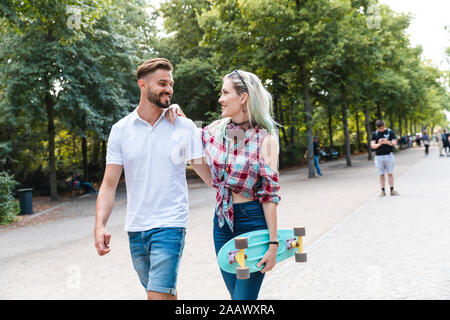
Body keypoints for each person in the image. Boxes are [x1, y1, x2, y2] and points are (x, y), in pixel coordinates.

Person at [94, 58, 212, 300]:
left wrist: (244, 192)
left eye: (170, 84)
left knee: (156, 295)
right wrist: (99, 225)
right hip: (136, 228)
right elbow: (108, 185)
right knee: (164, 294)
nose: (168, 89)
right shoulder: (121, 130)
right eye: (162, 83)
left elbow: (210, 176)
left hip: (170, 224)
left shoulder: (183, 125)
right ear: (142, 85)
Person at [167, 70, 281, 300]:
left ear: (243, 98)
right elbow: (195, 152)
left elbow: (269, 197)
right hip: (222, 223)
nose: (220, 98)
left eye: (225, 92)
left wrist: (273, 243)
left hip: (252, 224)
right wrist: (180, 115)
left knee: (243, 300)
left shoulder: (266, 140)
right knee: (236, 297)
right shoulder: (215, 130)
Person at [370, 120, 399, 197]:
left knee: (390, 173)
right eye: (381, 127)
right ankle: (382, 191)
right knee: (381, 174)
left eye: (384, 126)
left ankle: (392, 189)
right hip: (378, 157)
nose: (383, 128)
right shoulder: (375, 134)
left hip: (389, 155)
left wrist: (388, 142)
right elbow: (372, 145)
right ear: (378, 127)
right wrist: (379, 144)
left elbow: (394, 143)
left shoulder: (390, 132)